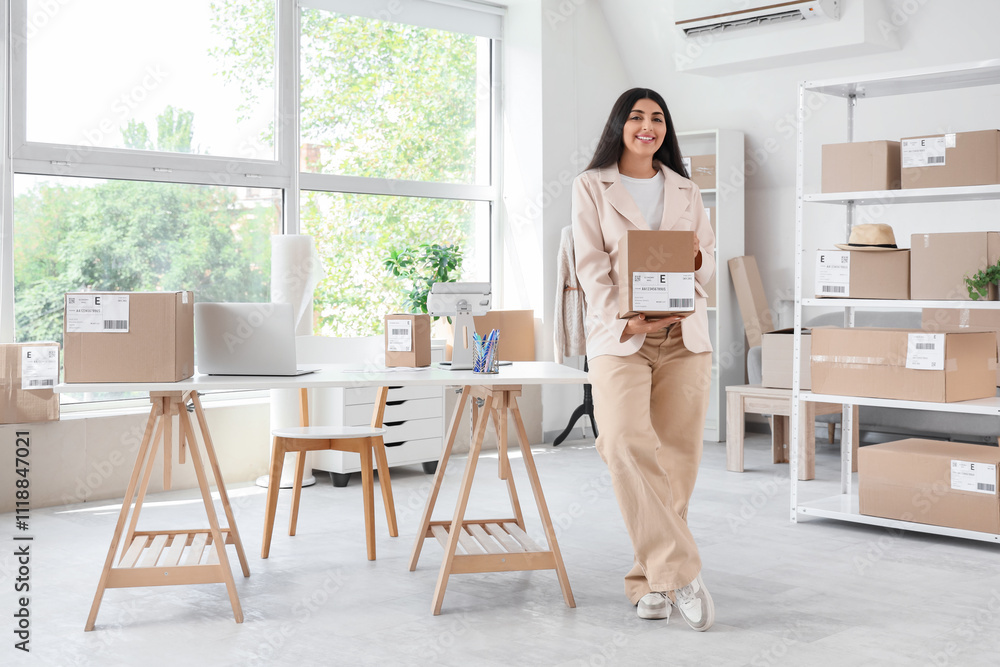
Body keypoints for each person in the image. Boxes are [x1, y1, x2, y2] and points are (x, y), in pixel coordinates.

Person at [571, 88, 716, 630]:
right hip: (621, 336)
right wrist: (624, 319)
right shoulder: (591, 185)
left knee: (677, 459)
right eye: (636, 117)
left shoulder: (686, 189)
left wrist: (696, 258)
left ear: (665, 130)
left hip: (683, 335)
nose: (647, 126)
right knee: (622, 443)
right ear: (620, 125)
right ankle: (682, 573)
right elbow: (590, 266)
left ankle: (651, 580)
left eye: (657, 118)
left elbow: (706, 267)